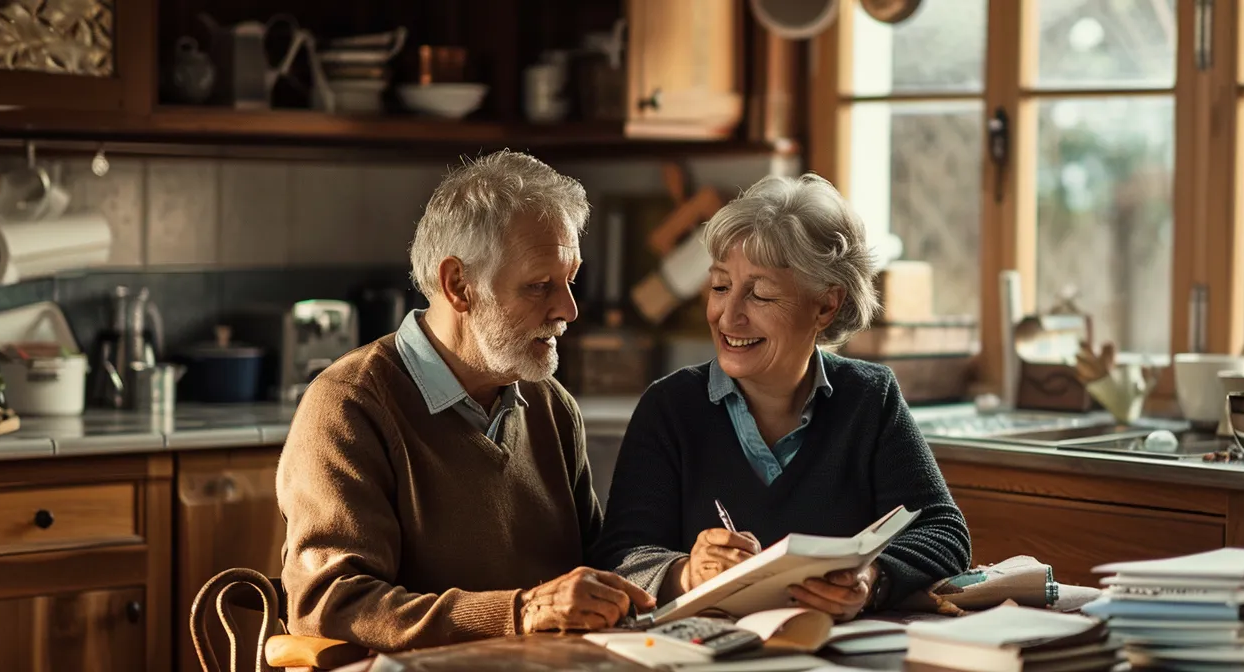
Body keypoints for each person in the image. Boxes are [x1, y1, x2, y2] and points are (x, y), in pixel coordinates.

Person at [277, 150, 653, 652]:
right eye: (540, 285)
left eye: (570, 280)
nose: (568, 309)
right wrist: (520, 613)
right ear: (459, 285)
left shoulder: (551, 407)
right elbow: (328, 605)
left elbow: (596, 569)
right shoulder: (349, 406)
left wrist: (681, 574)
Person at [592, 174, 971, 621]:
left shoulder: (871, 397)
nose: (728, 316)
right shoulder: (669, 407)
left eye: (761, 293)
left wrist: (871, 579)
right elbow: (618, 557)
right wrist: (686, 573)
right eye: (719, 287)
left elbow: (943, 532)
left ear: (826, 305)